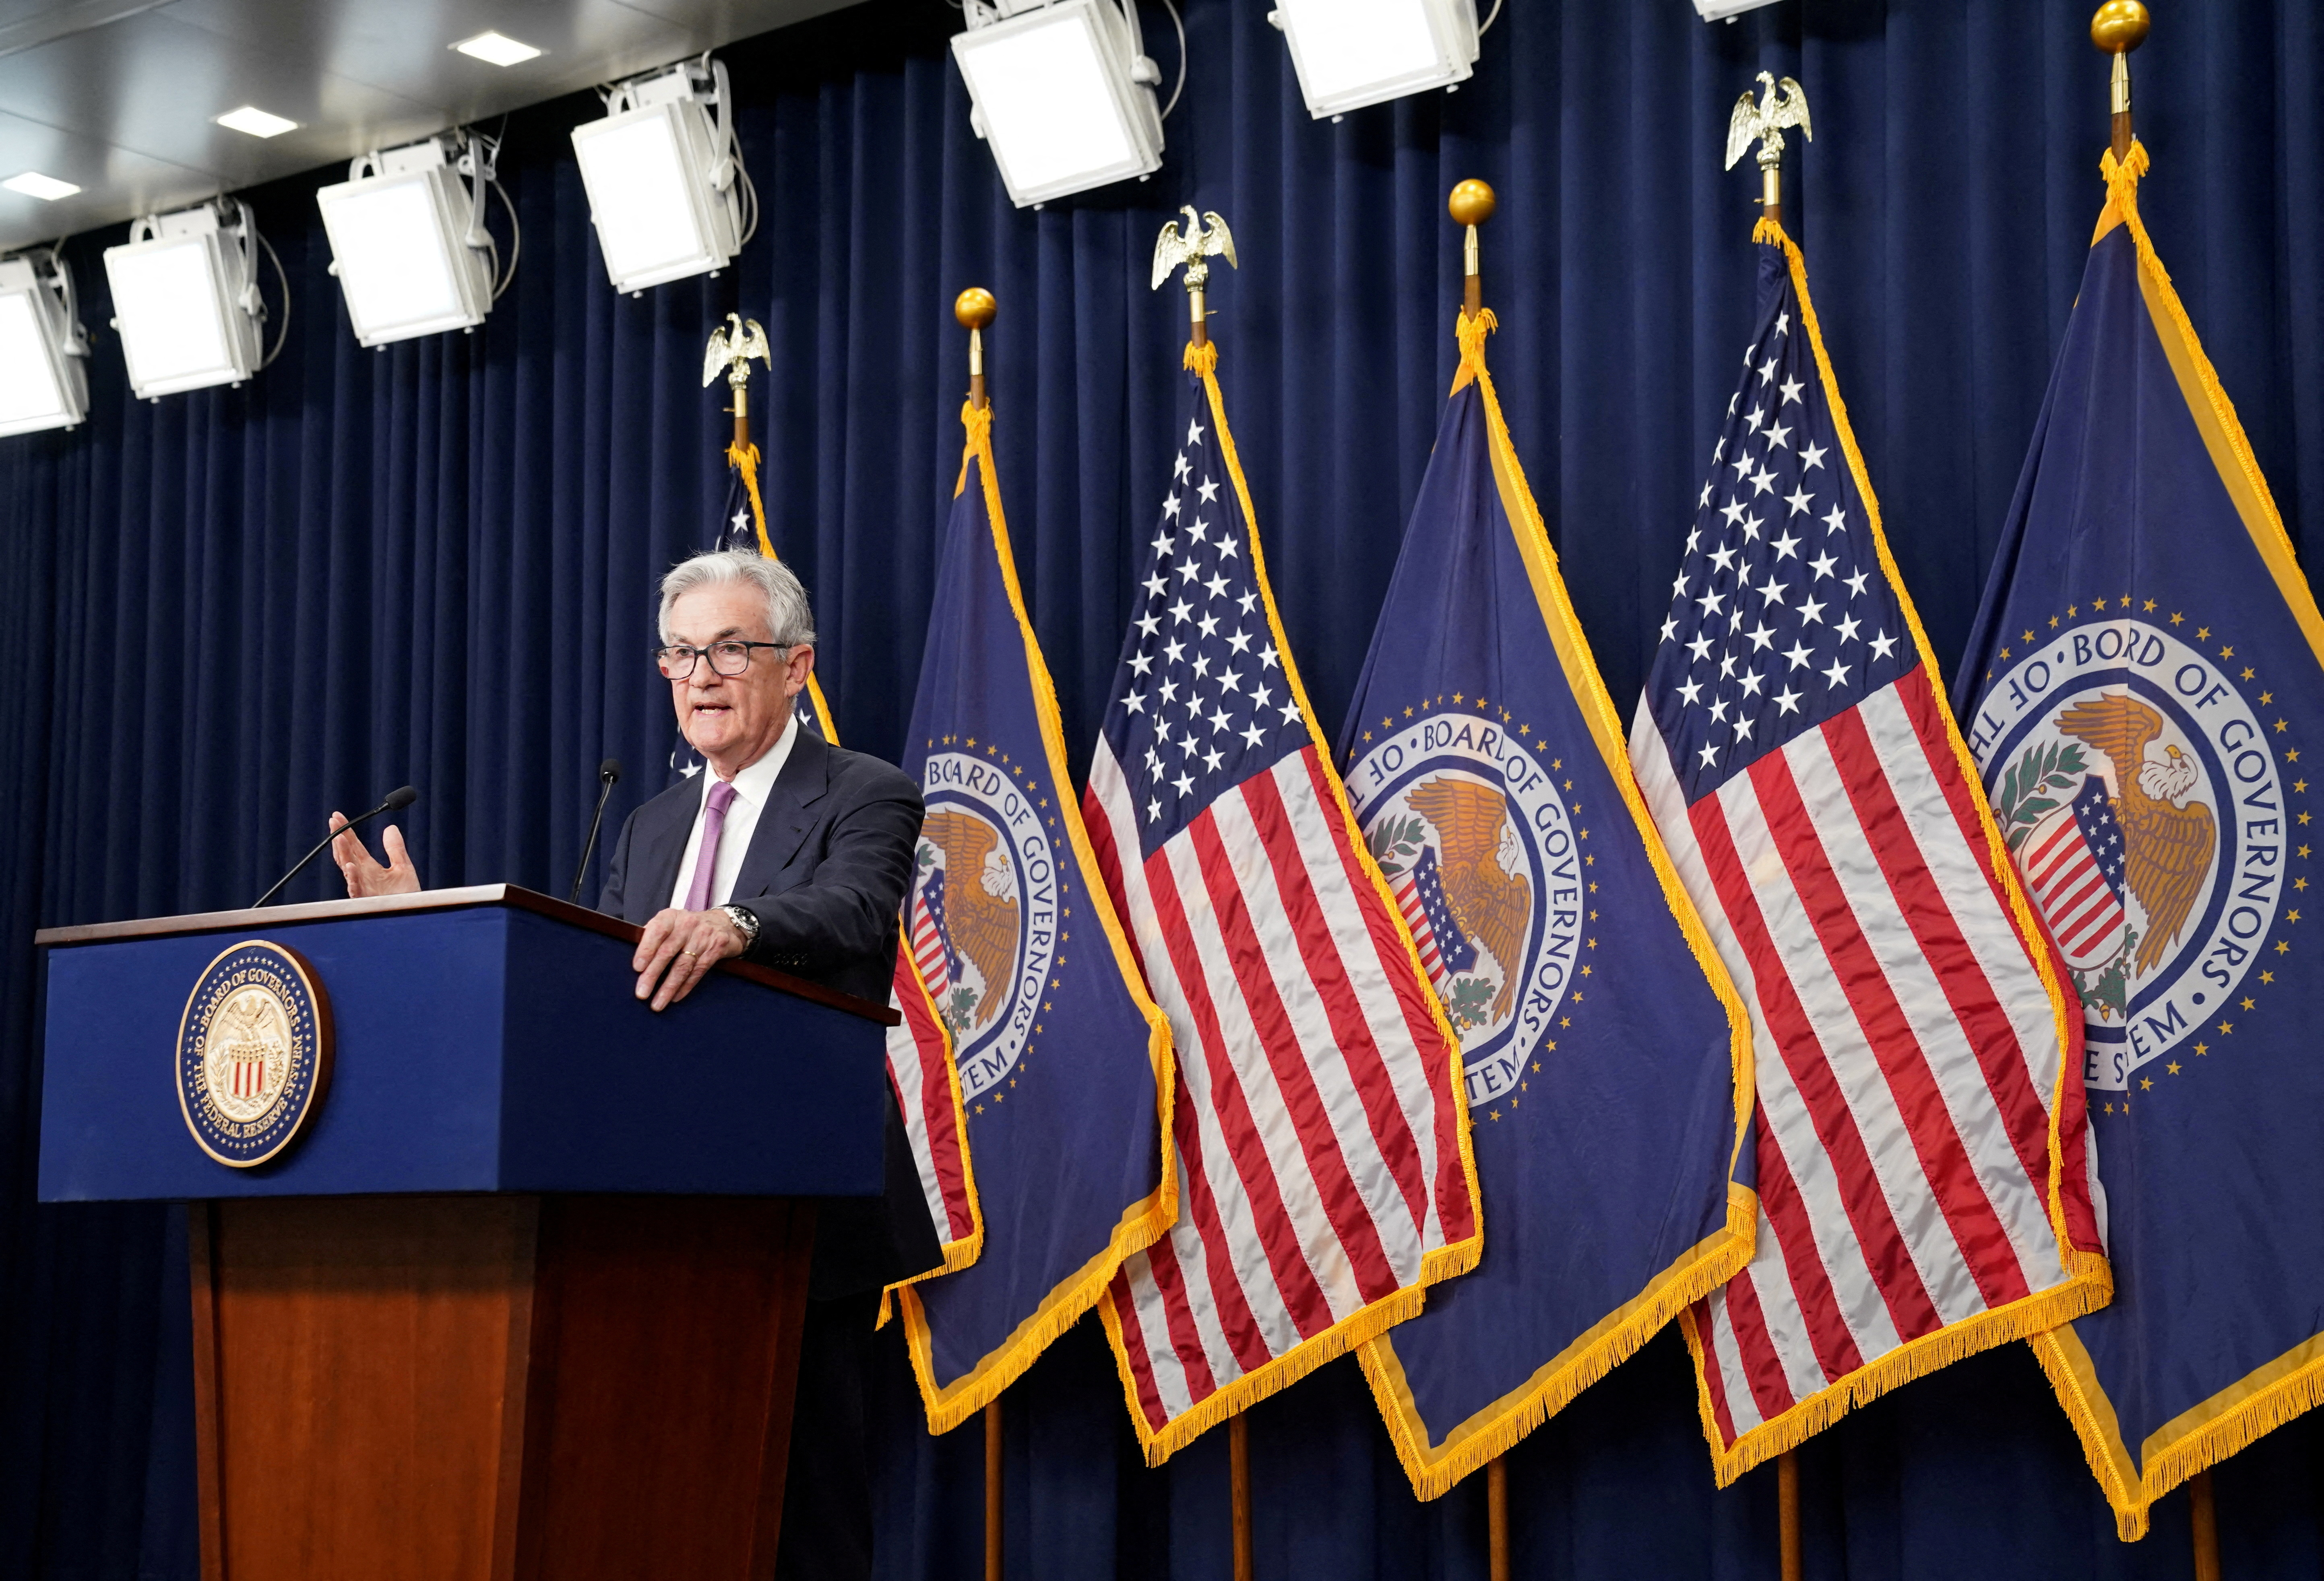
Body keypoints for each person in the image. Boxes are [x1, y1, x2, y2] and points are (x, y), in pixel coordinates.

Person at [332, 547, 936, 1580]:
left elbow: (856, 909)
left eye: (729, 649)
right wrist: (429, 932)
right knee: (658, 1502)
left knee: (805, 1515)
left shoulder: (864, 790)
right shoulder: (651, 823)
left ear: (795, 666)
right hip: (646, 1213)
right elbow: (594, 988)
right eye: (681, 653)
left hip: (794, 1202)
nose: (700, 674)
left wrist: (734, 924)